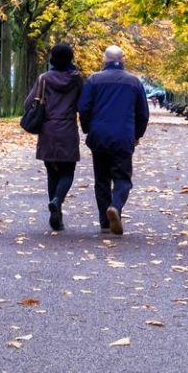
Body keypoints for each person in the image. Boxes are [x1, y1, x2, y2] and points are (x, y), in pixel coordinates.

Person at [78, 45, 149, 235]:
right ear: (123, 59)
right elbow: (143, 113)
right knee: (123, 178)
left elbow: (84, 108)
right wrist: (137, 135)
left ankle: (104, 222)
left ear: (104, 60)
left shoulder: (94, 80)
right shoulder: (134, 82)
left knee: (101, 179)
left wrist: (87, 129)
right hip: (123, 136)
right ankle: (116, 206)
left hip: (99, 135)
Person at [25, 43, 84, 232]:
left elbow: (29, 103)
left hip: (48, 130)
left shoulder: (44, 79)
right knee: (68, 171)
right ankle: (58, 200)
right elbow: (83, 104)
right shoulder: (76, 80)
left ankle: (55, 212)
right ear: (70, 58)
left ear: (52, 58)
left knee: (52, 172)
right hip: (67, 129)